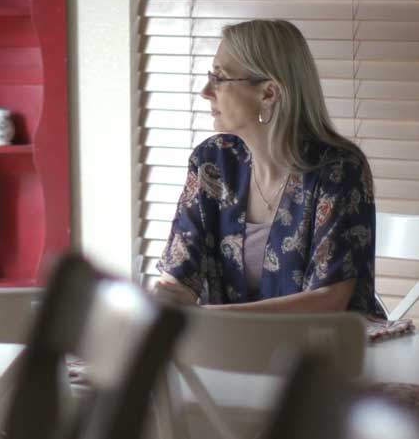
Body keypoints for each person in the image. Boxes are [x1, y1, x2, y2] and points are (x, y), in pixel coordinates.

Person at [156, 19, 384, 316]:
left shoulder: (339, 171)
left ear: (269, 93)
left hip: (327, 355)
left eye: (220, 78)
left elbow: (329, 300)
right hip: (230, 353)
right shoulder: (212, 162)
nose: (206, 91)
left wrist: (212, 321)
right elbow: (177, 280)